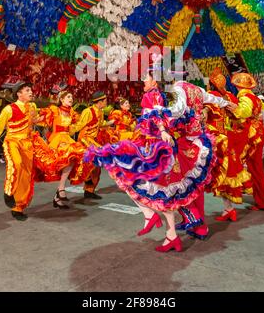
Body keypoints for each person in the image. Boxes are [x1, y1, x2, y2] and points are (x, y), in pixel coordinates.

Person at [85, 61, 234, 252]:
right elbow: (214, 100)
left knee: (175, 186)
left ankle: (191, 223)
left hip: (184, 141)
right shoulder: (197, 90)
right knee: (190, 186)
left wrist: (162, 119)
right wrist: (228, 103)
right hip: (198, 140)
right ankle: (194, 225)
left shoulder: (177, 90)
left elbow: (177, 110)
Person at [0, 82, 38, 221]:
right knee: (17, 164)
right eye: (27, 90)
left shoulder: (32, 107)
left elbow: (35, 122)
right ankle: (8, 192)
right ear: (19, 94)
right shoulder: (8, 109)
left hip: (27, 145)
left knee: (26, 177)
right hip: (12, 142)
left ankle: (18, 207)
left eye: (31, 90)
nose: (31, 92)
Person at [204, 69, 252, 221]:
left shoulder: (213, 97)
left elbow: (207, 110)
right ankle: (228, 209)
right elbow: (238, 116)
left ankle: (228, 208)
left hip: (217, 140)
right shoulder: (230, 96)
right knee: (228, 174)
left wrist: (202, 112)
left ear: (212, 83)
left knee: (220, 175)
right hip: (228, 137)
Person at [34, 91, 94, 209]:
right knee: (68, 159)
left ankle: (59, 194)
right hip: (57, 140)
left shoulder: (72, 113)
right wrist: (29, 119)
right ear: (61, 99)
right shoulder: (54, 110)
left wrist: (87, 125)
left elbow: (75, 128)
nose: (71, 98)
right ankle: (60, 190)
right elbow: (39, 119)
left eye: (72, 96)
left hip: (67, 139)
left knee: (73, 160)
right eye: (68, 96)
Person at [230, 73, 264, 211]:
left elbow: (244, 112)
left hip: (252, 136)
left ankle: (263, 202)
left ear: (238, 86)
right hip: (260, 133)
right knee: (256, 168)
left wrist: (233, 109)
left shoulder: (244, 97)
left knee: (254, 168)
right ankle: (261, 198)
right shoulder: (255, 97)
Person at [77, 91, 114, 199]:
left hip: (93, 140)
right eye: (105, 100)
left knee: (96, 167)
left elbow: (101, 125)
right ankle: (85, 180)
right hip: (85, 139)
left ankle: (89, 191)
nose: (107, 102)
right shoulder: (87, 111)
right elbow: (80, 125)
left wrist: (109, 124)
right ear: (100, 102)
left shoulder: (100, 112)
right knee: (91, 164)